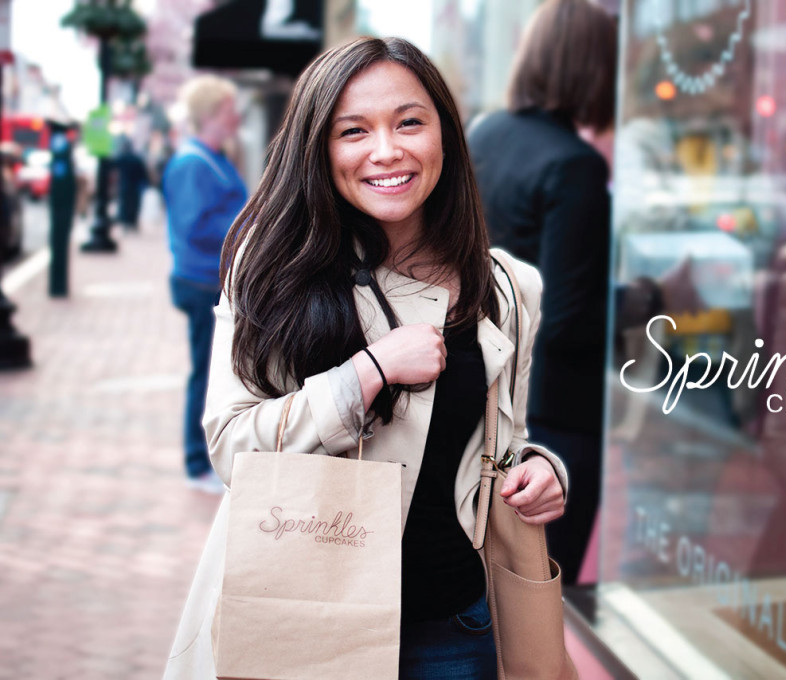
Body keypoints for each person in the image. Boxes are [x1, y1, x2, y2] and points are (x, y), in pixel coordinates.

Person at [164, 37, 568, 679]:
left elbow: (502, 441)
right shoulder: (274, 271)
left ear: (445, 135)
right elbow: (231, 446)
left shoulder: (507, 287)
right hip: (307, 618)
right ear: (320, 148)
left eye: (410, 121)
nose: (387, 151)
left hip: (454, 628)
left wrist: (541, 473)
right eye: (354, 130)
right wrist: (367, 373)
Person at [467, 0, 616, 585]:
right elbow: (569, 316)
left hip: (493, 396)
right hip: (558, 411)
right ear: (595, 68)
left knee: (492, 581)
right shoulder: (574, 166)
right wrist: (648, 301)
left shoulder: (487, 132)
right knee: (538, 591)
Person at [163, 75, 247, 493]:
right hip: (200, 283)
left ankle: (206, 457)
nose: (238, 116)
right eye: (231, 108)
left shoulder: (213, 157)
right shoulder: (192, 163)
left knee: (213, 372)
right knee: (205, 374)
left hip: (208, 280)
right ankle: (197, 461)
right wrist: (248, 225)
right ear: (214, 113)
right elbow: (193, 224)